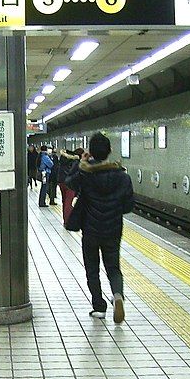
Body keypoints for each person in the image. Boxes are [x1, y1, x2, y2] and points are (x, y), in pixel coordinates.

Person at [66, 133, 134, 323]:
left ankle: (99, 306)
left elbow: (69, 182)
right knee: (113, 267)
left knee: (92, 268)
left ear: (91, 152)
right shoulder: (123, 176)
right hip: (113, 230)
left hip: (91, 230)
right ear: (110, 151)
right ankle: (118, 294)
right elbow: (128, 207)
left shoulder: (86, 174)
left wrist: (81, 163)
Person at [59, 148, 84, 223]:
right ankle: (68, 221)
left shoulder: (63, 159)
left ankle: (65, 219)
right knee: (69, 202)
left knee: (64, 201)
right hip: (70, 184)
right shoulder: (75, 161)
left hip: (61, 182)